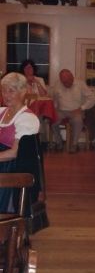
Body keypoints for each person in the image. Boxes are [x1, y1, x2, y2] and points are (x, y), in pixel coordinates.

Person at [0, 72, 40, 211]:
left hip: (12, 167)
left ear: (23, 92)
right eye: (4, 90)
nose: (6, 95)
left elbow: (14, 153)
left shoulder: (27, 119)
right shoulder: (1, 112)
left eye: (11, 91)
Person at [51, 69, 95, 153]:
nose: (65, 84)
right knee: (53, 120)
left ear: (72, 77)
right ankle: (59, 142)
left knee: (78, 120)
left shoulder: (80, 84)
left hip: (76, 110)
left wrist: (82, 108)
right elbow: (55, 99)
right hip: (61, 110)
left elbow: (93, 99)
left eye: (67, 81)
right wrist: (54, 109)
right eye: (63, 82)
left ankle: (74, 144)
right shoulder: (58, 84)